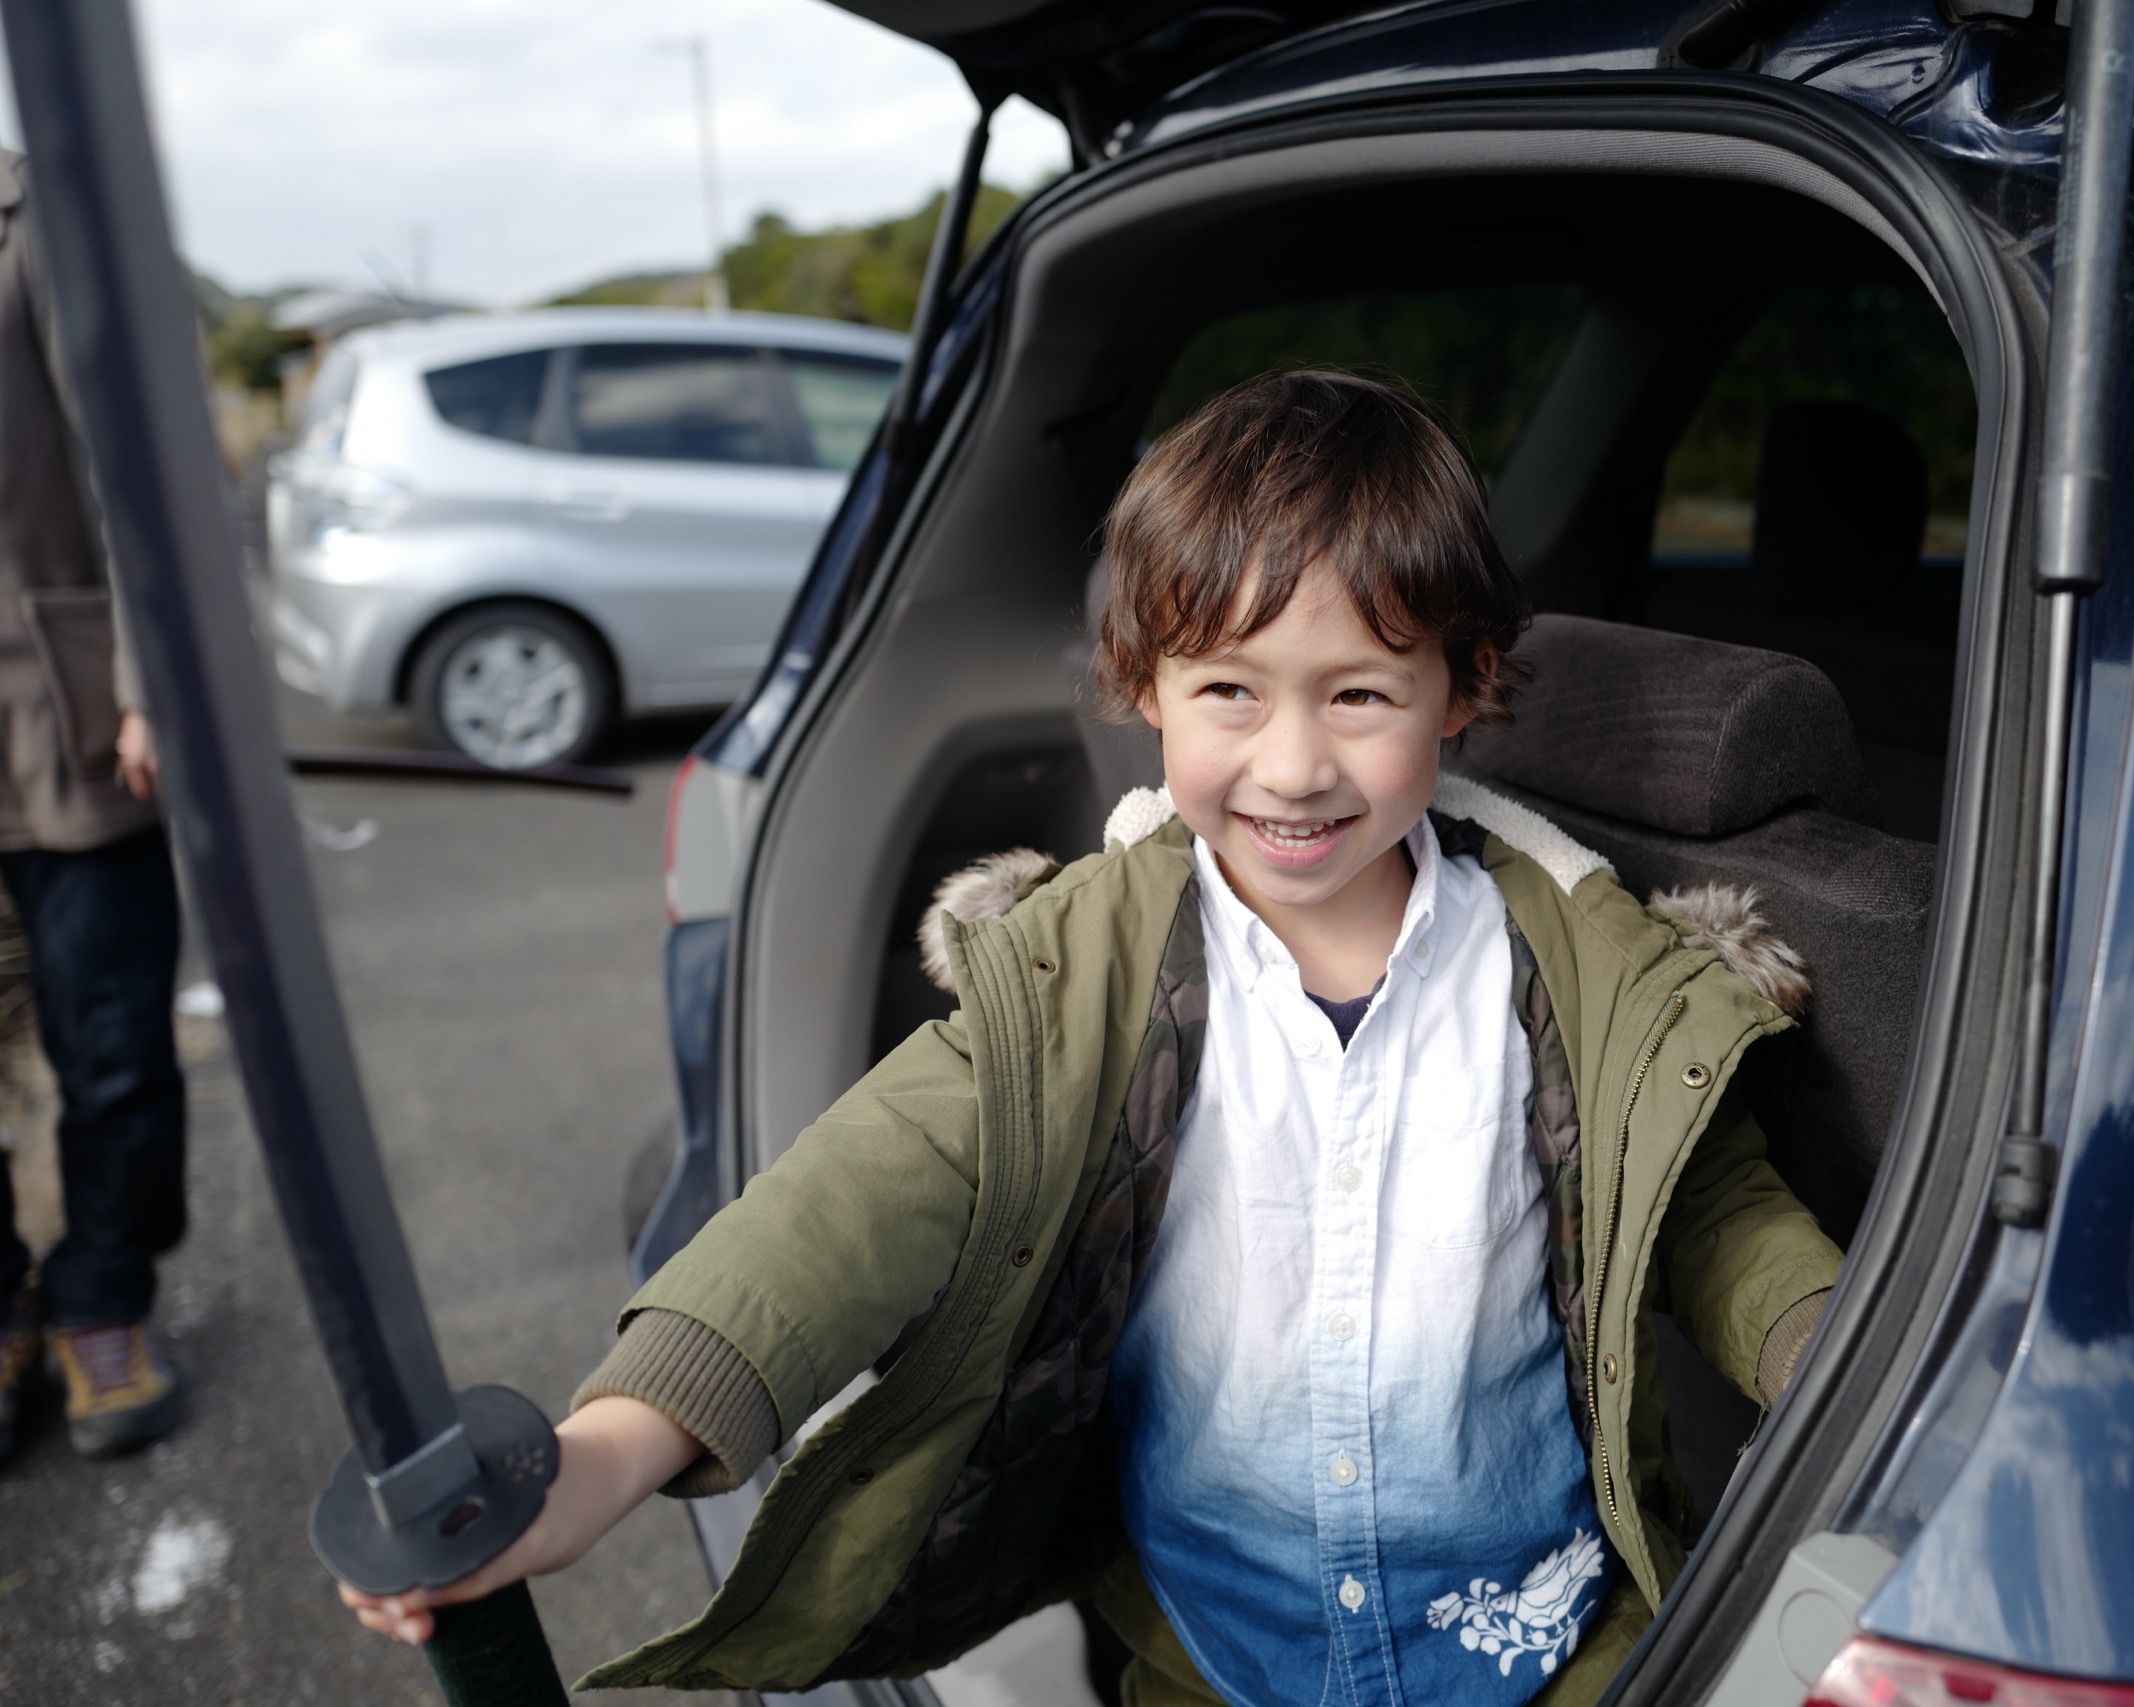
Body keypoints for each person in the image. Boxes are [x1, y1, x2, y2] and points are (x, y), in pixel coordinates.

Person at [339, 368, 1842, 1703]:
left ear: (1463, 691)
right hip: (1204, 1652)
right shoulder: (1080, 970)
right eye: (1231, 694)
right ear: (1145, 689)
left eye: (1362, 694)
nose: (1294, 762)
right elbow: (850, 1197)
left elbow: (1708, 1210)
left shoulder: (1568, 969)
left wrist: (1827, 1351)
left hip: (1547, 1642)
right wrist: (613, 1450)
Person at [0, 150, 188, 1464]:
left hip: (57, 721)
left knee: (109, 1047)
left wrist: (153, 683)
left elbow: (146, 466)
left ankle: (102, 1297)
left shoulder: (45, 214)